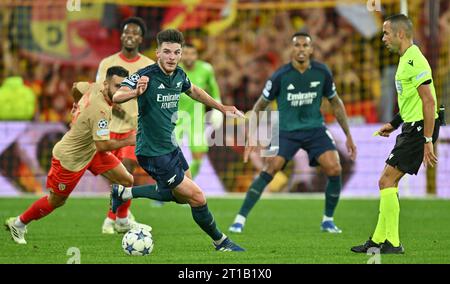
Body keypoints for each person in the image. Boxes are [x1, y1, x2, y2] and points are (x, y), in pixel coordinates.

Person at [111, 29, 245, 251]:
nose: (172, 57)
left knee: (182, 197)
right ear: (158, 53)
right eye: (167, 52)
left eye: (176, 52)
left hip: (170, 146)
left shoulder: (180, 75)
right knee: (198, 197)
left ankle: (125, 193)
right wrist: (135, 93)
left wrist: (221, 107)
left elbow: (194, 91)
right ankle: (221, 242)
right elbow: (117, 95)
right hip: (152, 151)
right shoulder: (146, 75)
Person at [228, 32, 357, 234]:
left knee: (334, 168)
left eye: (305, 45)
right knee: (270, 170)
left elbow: (336, 103)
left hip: (315, 129)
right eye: (297, 45)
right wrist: (252, 135)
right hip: (286, 131)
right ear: (292, 49)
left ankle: (328, 220)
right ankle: (239, 219)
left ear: (311, 50)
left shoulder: (322, 72)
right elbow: (259, 106)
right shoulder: (280, 75)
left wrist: (348, 134)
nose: (301, 49)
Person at [5, 66, 151, 244]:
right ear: (106, 84)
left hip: (92, 151)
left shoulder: (94, 86)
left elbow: (76, 87)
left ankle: (121, 221)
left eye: (123, 86)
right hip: (71, 159)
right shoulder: (101, 111)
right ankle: (19, 223)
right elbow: (103, 145)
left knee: (126, 180)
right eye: (116, 86)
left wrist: (76, 105)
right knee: (56, 201)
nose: (120, 90)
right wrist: (129, 140)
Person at [351, 14, 440, 254]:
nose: (383, 38)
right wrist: (393, 123)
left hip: (420, 128)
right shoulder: (405, 60)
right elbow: (411, 101)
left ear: (400, 34)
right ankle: (380, 241)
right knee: (389, 183)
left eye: (386, 33)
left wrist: (428, 140)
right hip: (411, 127)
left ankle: (392, 242)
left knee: (385, 181)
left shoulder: (415, 61)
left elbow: (429, 102)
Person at [96, 17, 155, 234]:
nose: (130, 36)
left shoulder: (148, 66)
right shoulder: (106, 64)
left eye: (135, 33)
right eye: (126, 32)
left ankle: (112, 219)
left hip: (135, 129)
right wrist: (114, 103)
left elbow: (154, 96)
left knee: (127, 171)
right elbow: (99, 90)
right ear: (121, 36)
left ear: (141, 38)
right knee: (114, 176)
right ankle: (123, 215)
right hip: (109, 126)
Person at [177, 42, 222, 179]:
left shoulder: (206, 69)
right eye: (185, 53)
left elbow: (214, 89)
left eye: (192, 53)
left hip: (195, 118)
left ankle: (186, 186)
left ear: (197, 55)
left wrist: (218, 108)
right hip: (174, 118)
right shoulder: (174, 69)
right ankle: (165, 188)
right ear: (180, 55)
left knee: (198, 158)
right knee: (168, 157)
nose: (189, 57)